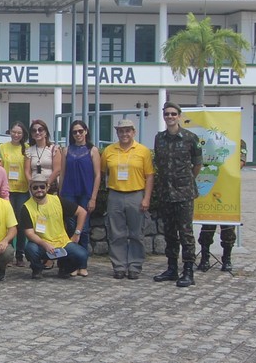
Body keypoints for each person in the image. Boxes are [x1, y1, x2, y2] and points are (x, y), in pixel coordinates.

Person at [152, 102, 203, 287]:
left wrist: (187, 181)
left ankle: (188, 270)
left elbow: (197, 164)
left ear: (179, 116)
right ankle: (172, 268)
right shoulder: (160, 138)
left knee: (186, 233)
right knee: (170, 233)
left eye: (173, 114)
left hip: (184, 193)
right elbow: (158, 162)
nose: (170, 117)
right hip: (166, 193)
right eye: (167, 114)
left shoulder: (190, 138)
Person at [101, 119, 154, 280]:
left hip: (136, 195)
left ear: (133, 132)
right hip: (115, 195)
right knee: (116, 233)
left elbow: (150, 176)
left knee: (136, 234)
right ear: (117, 133)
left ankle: (135, 266)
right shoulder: (109, 150)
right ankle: (119, 266)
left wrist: (146, 198)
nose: (124, 134)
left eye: (127, 131)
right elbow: (102, 172)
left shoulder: (143, 151)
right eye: (121, 131)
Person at [19, 174, 89, 279]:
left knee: (82, 255)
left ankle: (65, 268)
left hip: (62, 242)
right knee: (30, 249)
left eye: (42, 187)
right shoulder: (26, 207)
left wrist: (77, 233)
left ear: (47, 187)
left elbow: (82, 212)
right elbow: (29, 233)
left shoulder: (58, 200)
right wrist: (44, 244)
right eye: (35, 187)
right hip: (41, 244)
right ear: (30, 189)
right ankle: (37, 269)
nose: (39, 190)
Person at [198, 140, 246, 272]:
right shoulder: (208, 140)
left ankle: (227, 259)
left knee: (228, 228)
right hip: (209, 185)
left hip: (227, 189)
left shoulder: (238, 141)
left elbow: (240, 163)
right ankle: (205, 258)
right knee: (207, 225)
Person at [60, 119, 101, 251]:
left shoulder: (93, 150)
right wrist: (60, 195)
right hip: (68, 193)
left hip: (85, 193)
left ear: (86, 131)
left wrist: (93, 198)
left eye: (80, 131)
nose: (78, 134)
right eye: (74, 132)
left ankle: (82, 262)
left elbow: (98, 175)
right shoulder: (66, 150)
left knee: (83, 227)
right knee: (71, 226)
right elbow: (62, 173)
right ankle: (72, 258)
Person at [0, 121, 29, 266]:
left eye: (19, 132)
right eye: (14, 131)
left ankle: (20, 254)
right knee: (8, 223)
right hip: (7, 190)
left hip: (23, 190)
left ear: (23, 134)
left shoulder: (27, 149)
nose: (16, 135)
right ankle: (8, 253)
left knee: (21, 223)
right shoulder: (2, 147)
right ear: (9, 131)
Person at [24, 119, 61, 192]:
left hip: (51, 186)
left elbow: (57, 170)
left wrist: (47, 184)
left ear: (46, 133)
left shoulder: (54, 149)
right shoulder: (29, 151)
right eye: (34, 131)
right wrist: (31, 184)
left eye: (40, 130)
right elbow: (27, 171)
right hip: (35, 188)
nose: (37, 132)